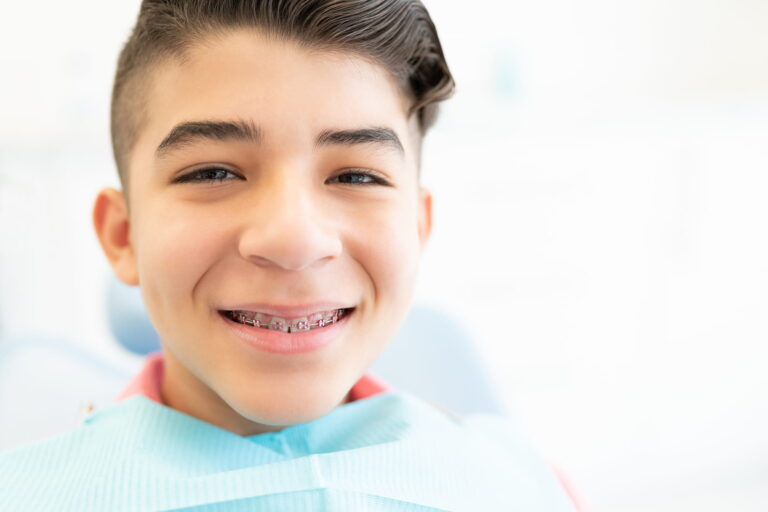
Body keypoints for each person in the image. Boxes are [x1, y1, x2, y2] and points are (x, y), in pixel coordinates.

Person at [0, 1, 585, 510]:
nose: (293, 240)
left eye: (356, 174)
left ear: (417, 227)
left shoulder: (525, 485)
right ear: (123, 236)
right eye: (213, 171)